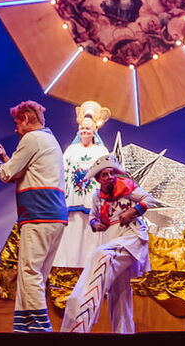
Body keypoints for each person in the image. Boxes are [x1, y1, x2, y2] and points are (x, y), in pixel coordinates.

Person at [0, 100, 69, 333]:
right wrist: (5, 158)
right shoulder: (48, 139)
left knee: (30, 273)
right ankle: (24, 327)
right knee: (35, 276)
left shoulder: (32, 139)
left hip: (39, 214)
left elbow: (6, 174)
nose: (14, 129)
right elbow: (21, 171)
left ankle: (42, 327)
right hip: (54, 215)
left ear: (25, 119)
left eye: (16, 123)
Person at [61, 154, 156, 334]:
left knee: (102, 255)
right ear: (98, 179)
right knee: (118, 293)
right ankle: (123, 333)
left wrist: (132, 211)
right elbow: (93, 217)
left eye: (111, 173)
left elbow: (149, 199)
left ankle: (81, 316)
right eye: (104, 175)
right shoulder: (98, 196)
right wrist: (95, 224)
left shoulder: (128, 188)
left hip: (131, 237)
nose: (109, 177)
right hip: (111, 237)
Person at [53, 101, 111, 268]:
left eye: (88, 129)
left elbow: (107, 175)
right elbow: (62, 172)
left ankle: (90, 266)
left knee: (90, 233)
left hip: (93, 199)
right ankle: (66, 265)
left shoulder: (101, 151)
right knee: (72, 231)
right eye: (82, 129)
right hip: (72, 199)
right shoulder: (71, 150)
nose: (85, 131)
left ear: (94, 131)